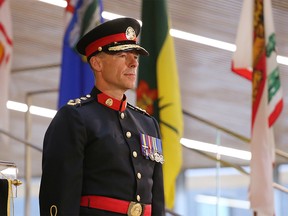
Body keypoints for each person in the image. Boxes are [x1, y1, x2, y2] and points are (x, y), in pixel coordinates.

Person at [39, 17, 165, 216]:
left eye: (135, 56)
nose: (133, 63)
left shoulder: (148, 124)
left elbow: (156, 199)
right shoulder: (75, 118)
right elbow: (59, 194)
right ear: (97, 63)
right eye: (123, 55)